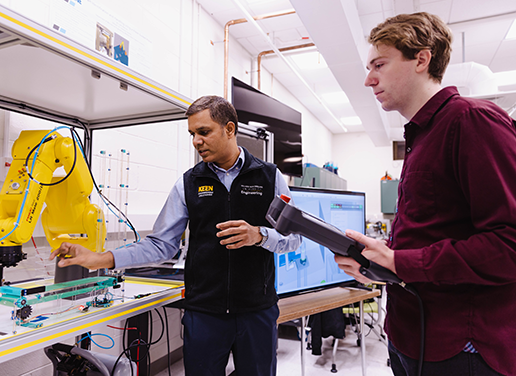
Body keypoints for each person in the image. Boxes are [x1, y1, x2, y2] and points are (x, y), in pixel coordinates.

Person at [50, 95, 302, 376]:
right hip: (204, 314)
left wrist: (260, 235)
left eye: (204, 132)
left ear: (229, 129)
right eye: (192, 134)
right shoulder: (188, 183)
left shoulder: (269, 176)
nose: (196, 141)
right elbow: (161, 244)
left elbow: (294, 238)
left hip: (257, 313)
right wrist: (101, 259)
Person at [336, 12, 516, 376]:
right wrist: (382, 263)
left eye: (380, 64)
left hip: (461, 348)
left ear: (421, 59)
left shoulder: (472, 120)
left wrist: (402, 262)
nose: (368, 79)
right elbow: (430, 234)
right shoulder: (421, 137)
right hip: (409, 334)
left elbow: (509, 244)